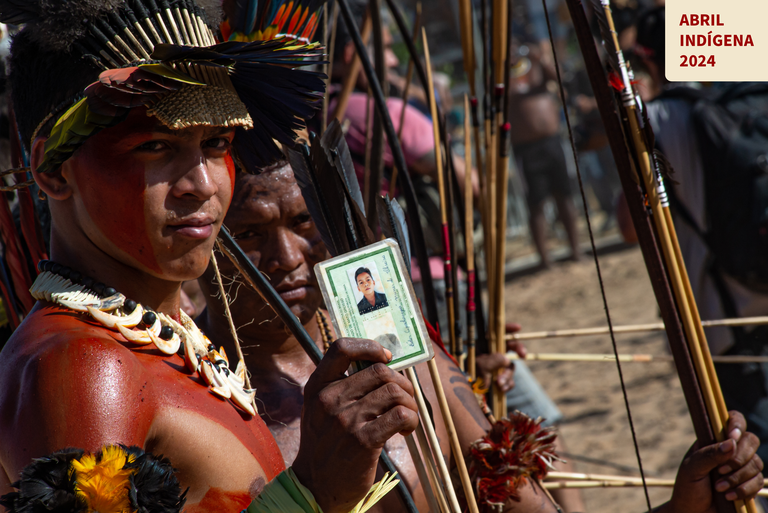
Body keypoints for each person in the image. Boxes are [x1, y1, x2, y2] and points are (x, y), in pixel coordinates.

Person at [0, 2, 420, 512]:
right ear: (52, 169)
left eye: (216, 142)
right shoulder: (88, 365)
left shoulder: (160, 339)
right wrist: (315, 488)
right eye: (156, 146)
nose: (202, 185)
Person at [197, 160, 765, 512]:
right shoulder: (195, 385)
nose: (287, 257)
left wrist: (687, 505)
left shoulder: (397, 345)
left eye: (303, 223)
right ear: (206, 234)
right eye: (248, 234)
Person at [635, 5, 768, 464]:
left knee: (751, 463)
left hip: (723, 329)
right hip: (748, 312)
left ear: (650, 58)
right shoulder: (753, 102)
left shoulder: (655, 120)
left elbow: (630, 223)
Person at [509, 39, 581, 268]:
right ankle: (545, 259)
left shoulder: (536, 66)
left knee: (565, 195)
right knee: (536, 203)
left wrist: (541, 58)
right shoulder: (500, 75)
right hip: (525, 149)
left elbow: (560, 79)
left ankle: (576, 250)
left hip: (551, 142)